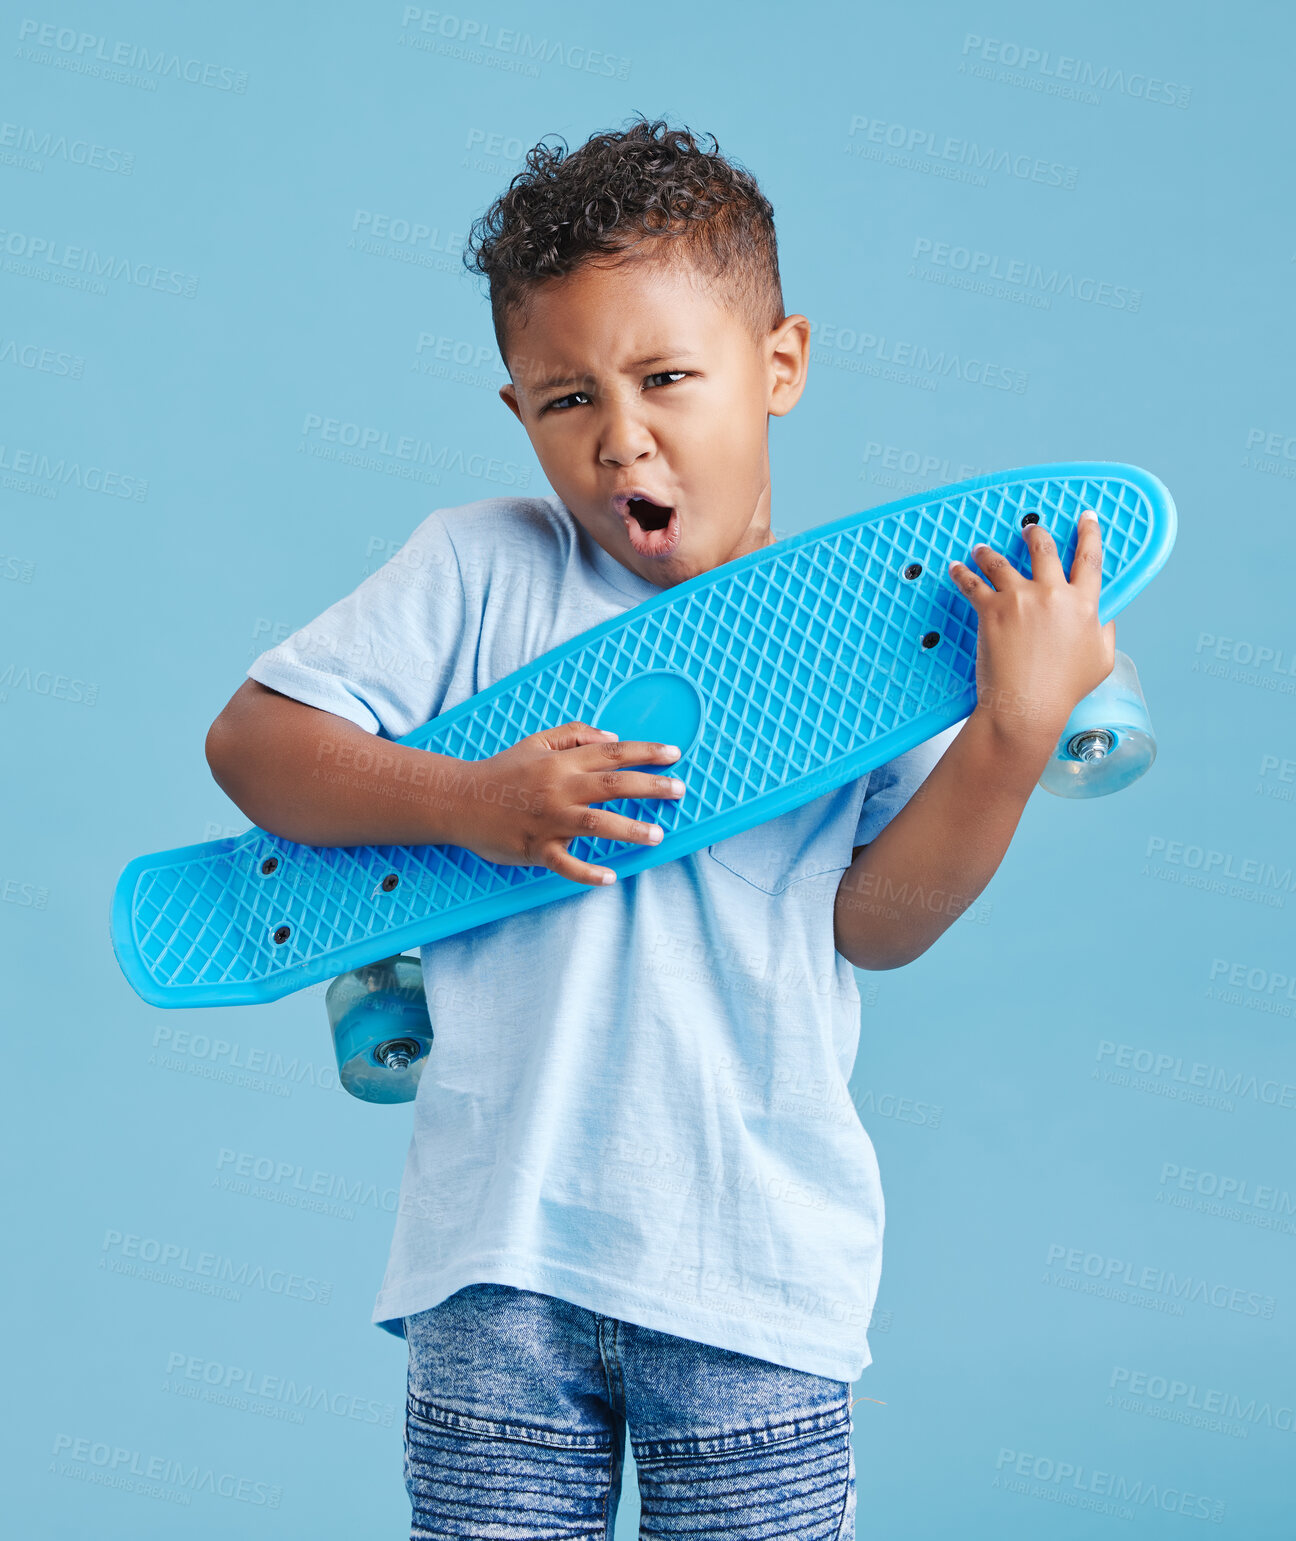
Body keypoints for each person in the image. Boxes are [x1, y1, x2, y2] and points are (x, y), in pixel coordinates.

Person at [206, 114, 1114, 1541]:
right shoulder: (478, 570)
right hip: (497, 1262)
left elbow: (875, 926)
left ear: (781, 365)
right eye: (566, 397)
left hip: (756, 1271)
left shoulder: (869, 623)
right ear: (516, 412)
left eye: (667, 377)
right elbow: (253, 745)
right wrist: (475, 801)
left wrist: (1007, 736)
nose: (619, 433)